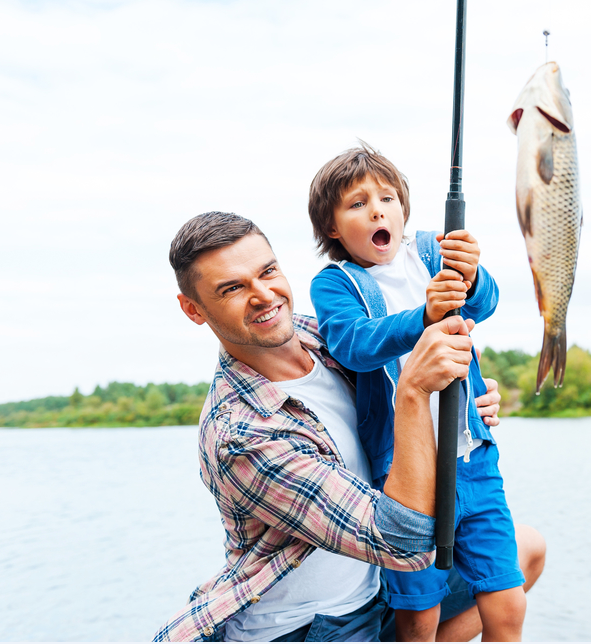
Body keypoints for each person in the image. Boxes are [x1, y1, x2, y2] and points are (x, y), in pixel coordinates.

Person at [153, 212, 545, 642]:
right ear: (194, 309)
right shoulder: (240, 433)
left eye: (267, 271)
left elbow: (399, 350)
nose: (263, 295)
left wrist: (463, 401)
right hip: (313, 626)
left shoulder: (321, 337)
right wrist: (414, 392)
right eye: (232, 288)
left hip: (375, 590)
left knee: (525, 551)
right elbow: (400, 543)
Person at [307, 145, 525, 641]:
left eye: (387, 197)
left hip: (473, 458)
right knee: (419, 613)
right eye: (357, 204)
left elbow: (484, 305)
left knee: (506, 598)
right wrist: (423, 317)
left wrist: (472, 274)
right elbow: (354, 344)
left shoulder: (431, 251)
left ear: (405, 209)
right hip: (404, 472)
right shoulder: (336, 283)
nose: (377, 209)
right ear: (333, 229)